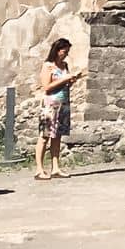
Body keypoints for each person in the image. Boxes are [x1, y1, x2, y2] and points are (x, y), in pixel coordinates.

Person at [35, 37, 84, 180]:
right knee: (45, 136)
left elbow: (64, 85)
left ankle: (55, 168)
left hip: (63, 103)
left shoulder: (65, 65)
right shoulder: (48, 66)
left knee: (57, 136)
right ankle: (39, 169)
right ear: (57, 51)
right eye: (64, 51)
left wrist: (71, 80)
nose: (66, 54)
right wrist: (65, 78)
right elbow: (47, 87)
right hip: (50, 104)